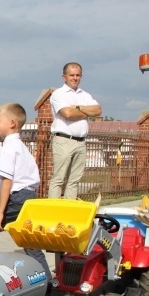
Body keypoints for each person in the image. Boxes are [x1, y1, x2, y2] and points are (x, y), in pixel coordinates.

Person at [0, 103, 52, 281]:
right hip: (29, 197)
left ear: (12, 123)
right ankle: (48, 283)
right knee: (30, 243)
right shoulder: (21, 147)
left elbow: (7, 181)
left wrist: (0, 212)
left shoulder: (8, 148)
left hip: (16, 197)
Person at [48, 62, 101, 199]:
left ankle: (68, 211)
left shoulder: (85, 95)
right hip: (64, 140)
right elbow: (67, 114)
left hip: (81, 142)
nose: (75, 78)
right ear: (64, 76)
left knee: (74, 181)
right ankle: (54, 212)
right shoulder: (59, 94)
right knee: (58, 179)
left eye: (78, 75)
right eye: (71, 75)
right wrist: (86, 111)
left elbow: (98, 110)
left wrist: (77, 107)